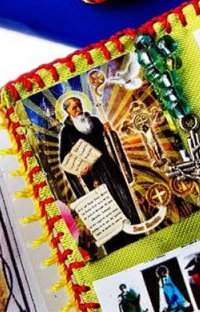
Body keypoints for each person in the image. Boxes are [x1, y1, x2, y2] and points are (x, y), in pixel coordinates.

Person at [58, 95, 140, 224]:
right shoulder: (67, 132)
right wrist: (79, 168)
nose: (79, 109)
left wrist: (109, 133)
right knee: (107, 205)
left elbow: (109, 141)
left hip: (109, 165)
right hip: (91, 175)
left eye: (80, 105)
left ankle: (134, 223)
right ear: (67, 111)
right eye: (74, 108)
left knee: (123, 194)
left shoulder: (94, 121)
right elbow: (65, 159)